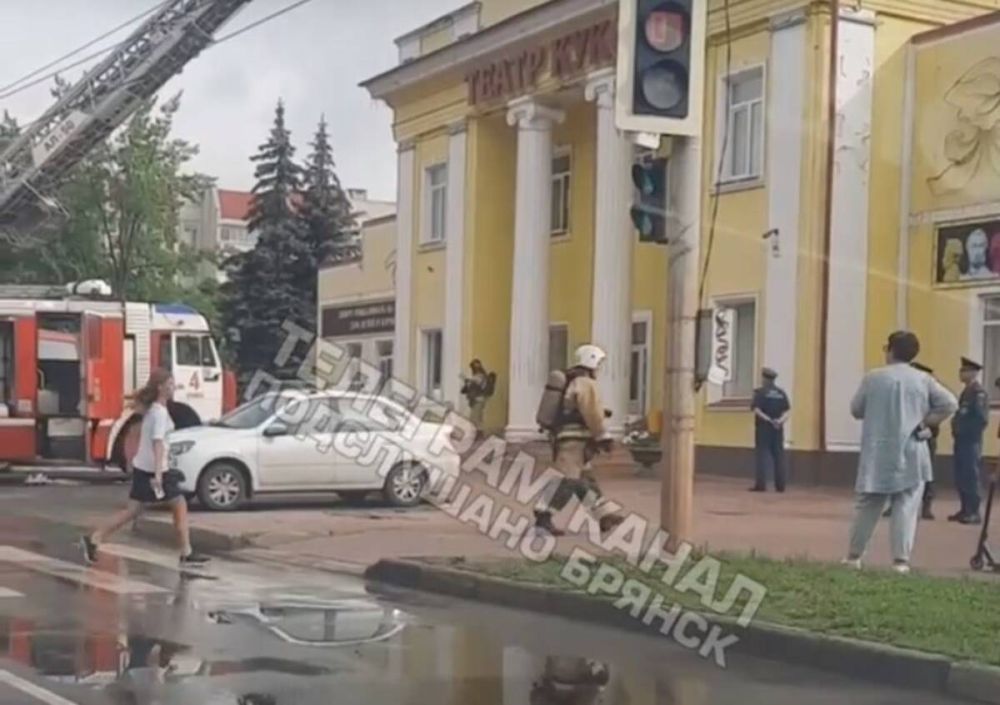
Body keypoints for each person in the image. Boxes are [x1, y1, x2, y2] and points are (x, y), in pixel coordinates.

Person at [843, 331, 957, 573]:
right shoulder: (923, 379)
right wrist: (927, 422)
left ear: (891, 350)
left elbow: (856, 409)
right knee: (906, 505)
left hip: (878, 452)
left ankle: (854, 557)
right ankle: (900, 561)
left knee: (869, 504)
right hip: (912, 450)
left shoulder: (873, 378)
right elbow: (950, 404)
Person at [81, 369, 209, 567]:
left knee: (133, 510)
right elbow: (157, 442)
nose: (173, 387)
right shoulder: (158, 412)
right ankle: (186, 552)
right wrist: (159, 474)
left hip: (144, 467)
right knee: (179, 504)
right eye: (170, 384)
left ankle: (94, 538)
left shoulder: (151, 409)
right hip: (155, 470)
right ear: (160, 387)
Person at [533, 344, 624, 537]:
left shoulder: (574, 380)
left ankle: (603, 515)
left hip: (570, 437)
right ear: (592, 360)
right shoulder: (585, 382)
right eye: (598, 363)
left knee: (585, 479)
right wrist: (603, 437)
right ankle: (543, 515)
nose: (599, 367)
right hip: (574, 440)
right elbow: (591, 412)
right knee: (568, 480)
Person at [950, 356, 990, 524]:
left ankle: (974, 512)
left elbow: (981, 419)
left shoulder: (978, 393)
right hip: (961, 440)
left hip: (970, 441)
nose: (961, 373)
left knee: (971, 476)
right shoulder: (966, 392)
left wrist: (967, 434)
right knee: (961, 475)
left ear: (973, 373)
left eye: (964, 370)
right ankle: (965, 508)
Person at [749, 367, 791, 493]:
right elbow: (787, 411)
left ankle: (761, 485)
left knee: (762, 456)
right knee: (779, 456)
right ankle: (780, 486)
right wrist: (779, 421)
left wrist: (768, 420)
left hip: (764, 428)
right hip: (778, 428)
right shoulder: (781, 393)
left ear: (764, 379)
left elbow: (756, 409)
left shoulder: (760, 393)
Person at [460, 359, 493, 430]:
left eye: (476, 367)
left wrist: (467, 380)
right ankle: (479, 435)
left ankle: (479, 435)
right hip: (476, 400)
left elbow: (477, 383)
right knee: (477, 418)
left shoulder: (481, 376)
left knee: (474, 419)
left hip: (478, 399)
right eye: (474, 367)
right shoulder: (479, 376)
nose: (475, 369)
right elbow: (470, 386)